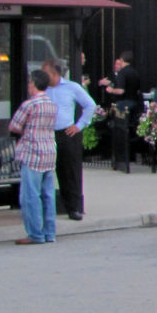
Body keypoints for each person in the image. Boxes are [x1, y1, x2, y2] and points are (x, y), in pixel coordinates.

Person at [42, 57, 95, 221]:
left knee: (68, 172)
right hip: (46, 134)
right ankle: (46, 208)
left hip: (65, 133)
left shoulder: (71, 87)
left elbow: (90, 105)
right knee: (45, 172)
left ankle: (73, 208)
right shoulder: (42, 89)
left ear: (54, 73)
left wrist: (79, 125)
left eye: (46, 73)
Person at [10, 70, 58, 245]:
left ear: (33, 84)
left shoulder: (29, 105)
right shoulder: (52, 105)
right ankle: (50, 232)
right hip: (49, 151)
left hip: (32, 152)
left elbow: (14, 126)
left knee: (30, 196)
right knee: (48, 195)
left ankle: (35, 233)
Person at [100, 51, 143, 123]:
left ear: (121, 60)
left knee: (121, 125)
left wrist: (111, 90)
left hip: (124, 104)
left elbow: (121, 91)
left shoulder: (122, 73)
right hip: (136, 103)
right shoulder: (135, 72)